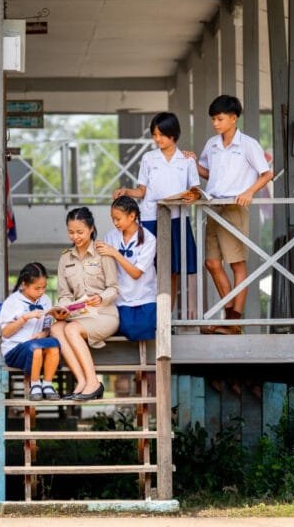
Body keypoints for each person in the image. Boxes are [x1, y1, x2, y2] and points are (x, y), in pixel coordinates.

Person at [195, 95, 273, 335]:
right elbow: (209, 173)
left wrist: (249, 192)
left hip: (234, 207)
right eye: (213, 120)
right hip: (213, 206)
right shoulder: (212, 144)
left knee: (238, 264)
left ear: (233, 118)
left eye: (219, 119)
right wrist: (189, 162)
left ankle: (233, 321)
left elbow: (266, 173)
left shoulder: (247, 144)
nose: (215, 124)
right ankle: (229, 318)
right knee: (211, 263)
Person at [113, 112, 200, 301]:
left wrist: (192, 196)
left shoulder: (187, 160)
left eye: (161, 134)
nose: (157, 139)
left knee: (172, 269)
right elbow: (142, 191)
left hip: (177, 219)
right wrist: (126, 191)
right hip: (151, 218)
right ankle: (151, 311)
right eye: (154, 134)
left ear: (173, 134)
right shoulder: (148, 158)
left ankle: (166, 319)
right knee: (150, 266)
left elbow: (195, 190)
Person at [50, 207, 119, 400]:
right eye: (71, 232)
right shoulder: (65, 258)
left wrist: (101, 298)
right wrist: (63, 309)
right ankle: (81, 381)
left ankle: (94, 383)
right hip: (78, 315)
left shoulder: (102, 253)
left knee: (71, 330)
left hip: (104, 314)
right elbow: (64, 294)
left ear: (91, 229)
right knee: (56, 329)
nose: (75, 236)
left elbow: (114, 288)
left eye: (80, 232)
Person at [96, 196, 157, 340]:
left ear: (132, 216)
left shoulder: (149, 239)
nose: (115, 223)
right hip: (120, 299)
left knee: (142, 330)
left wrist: (115, 253)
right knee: (121, 327)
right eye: (113, 219)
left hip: (144, 298)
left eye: (118, 218)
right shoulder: (110, 237)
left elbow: (136, 273)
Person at [0, 262, 62, 401]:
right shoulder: (12, 302)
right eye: (36, 288)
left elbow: (47, 327)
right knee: (36, 348)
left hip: (36, 344)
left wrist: (44, 333)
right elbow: (6, 333)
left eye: (44, 287)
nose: (41, 292)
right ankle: (35, 385)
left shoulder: (45, 300)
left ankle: (47, 384)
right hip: (15, 350)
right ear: (24, 285)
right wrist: (25, 317)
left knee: (54, 344)